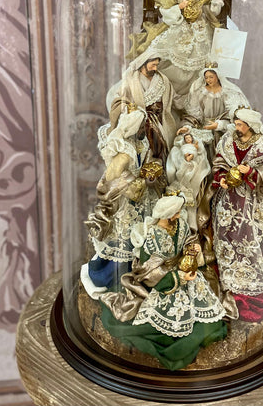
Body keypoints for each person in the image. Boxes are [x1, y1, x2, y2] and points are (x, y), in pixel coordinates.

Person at [99, 195, 228, 370]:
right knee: (172, 314)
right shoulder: (153, 237)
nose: (179, 215)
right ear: (167, 215)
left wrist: (193, 248)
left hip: (184, 269)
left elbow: (187, 242)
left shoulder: (180, 225)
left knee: (204, 305)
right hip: (166, 279)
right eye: (176, 213)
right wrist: (177, 278)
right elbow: (149, 271)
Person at [209, 107, 263, 322]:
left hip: (251, 200)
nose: (236, 126)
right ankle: (228, 270)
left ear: (250, 126)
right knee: (226, 231)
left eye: (240, 124)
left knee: (249, 234)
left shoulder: (262, 145)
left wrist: (250, 172)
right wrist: (221, 177)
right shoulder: (228, 140)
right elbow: (219, 162)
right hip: (228, 197)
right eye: (236, 123)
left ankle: (250, 270)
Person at [81, 107, 161, 298]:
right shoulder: (124, 150)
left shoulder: (141, 143)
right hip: (126, 202)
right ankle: (103, 275)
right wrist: (134, 182)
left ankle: (135, 274)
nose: (143, 129)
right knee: (123, 241)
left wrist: (151, 171)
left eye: (143, 126)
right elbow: (111, 176)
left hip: (143, 200)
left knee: (139, 238)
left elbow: (147, 160)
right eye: (140, 126)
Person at [128, 0, 226, 95]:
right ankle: (160, 86)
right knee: (165, 51)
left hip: (200, 25)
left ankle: (197, 91)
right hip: (180, 23)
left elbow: (210, 9)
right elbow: (165, 9)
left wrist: (216, 0)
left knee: (200, 57)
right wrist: (179, 7)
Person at [108, 52, 181, 164]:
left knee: (160, 141)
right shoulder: (131, 80)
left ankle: (158, 165)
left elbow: (175, 99)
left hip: (159, 119)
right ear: (143, 64)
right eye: (153, 65)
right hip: (139, 119)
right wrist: (128, 109)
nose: (155, 68)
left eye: (157, 65)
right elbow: (120, 98)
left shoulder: (163, 80)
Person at [179, 64, 250, 160]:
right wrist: (189, 126)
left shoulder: (227, 92)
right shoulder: (200, 92)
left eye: (211, 77)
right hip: (204, 126)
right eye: (206, 77)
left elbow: (232, 114)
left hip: (220, 128)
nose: (208, 80)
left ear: (217, 76)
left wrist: (219, 124)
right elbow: (194, 113)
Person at [166, 134, 210, 231]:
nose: (188, 139)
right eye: (186, 138)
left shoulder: (195, 147)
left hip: (192, 168)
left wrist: (193, 153)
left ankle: (191, 224)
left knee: (191, 199)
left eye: (189, 138)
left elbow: (199, 151)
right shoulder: (181, 148)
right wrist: (186, 158)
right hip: (185, 168)